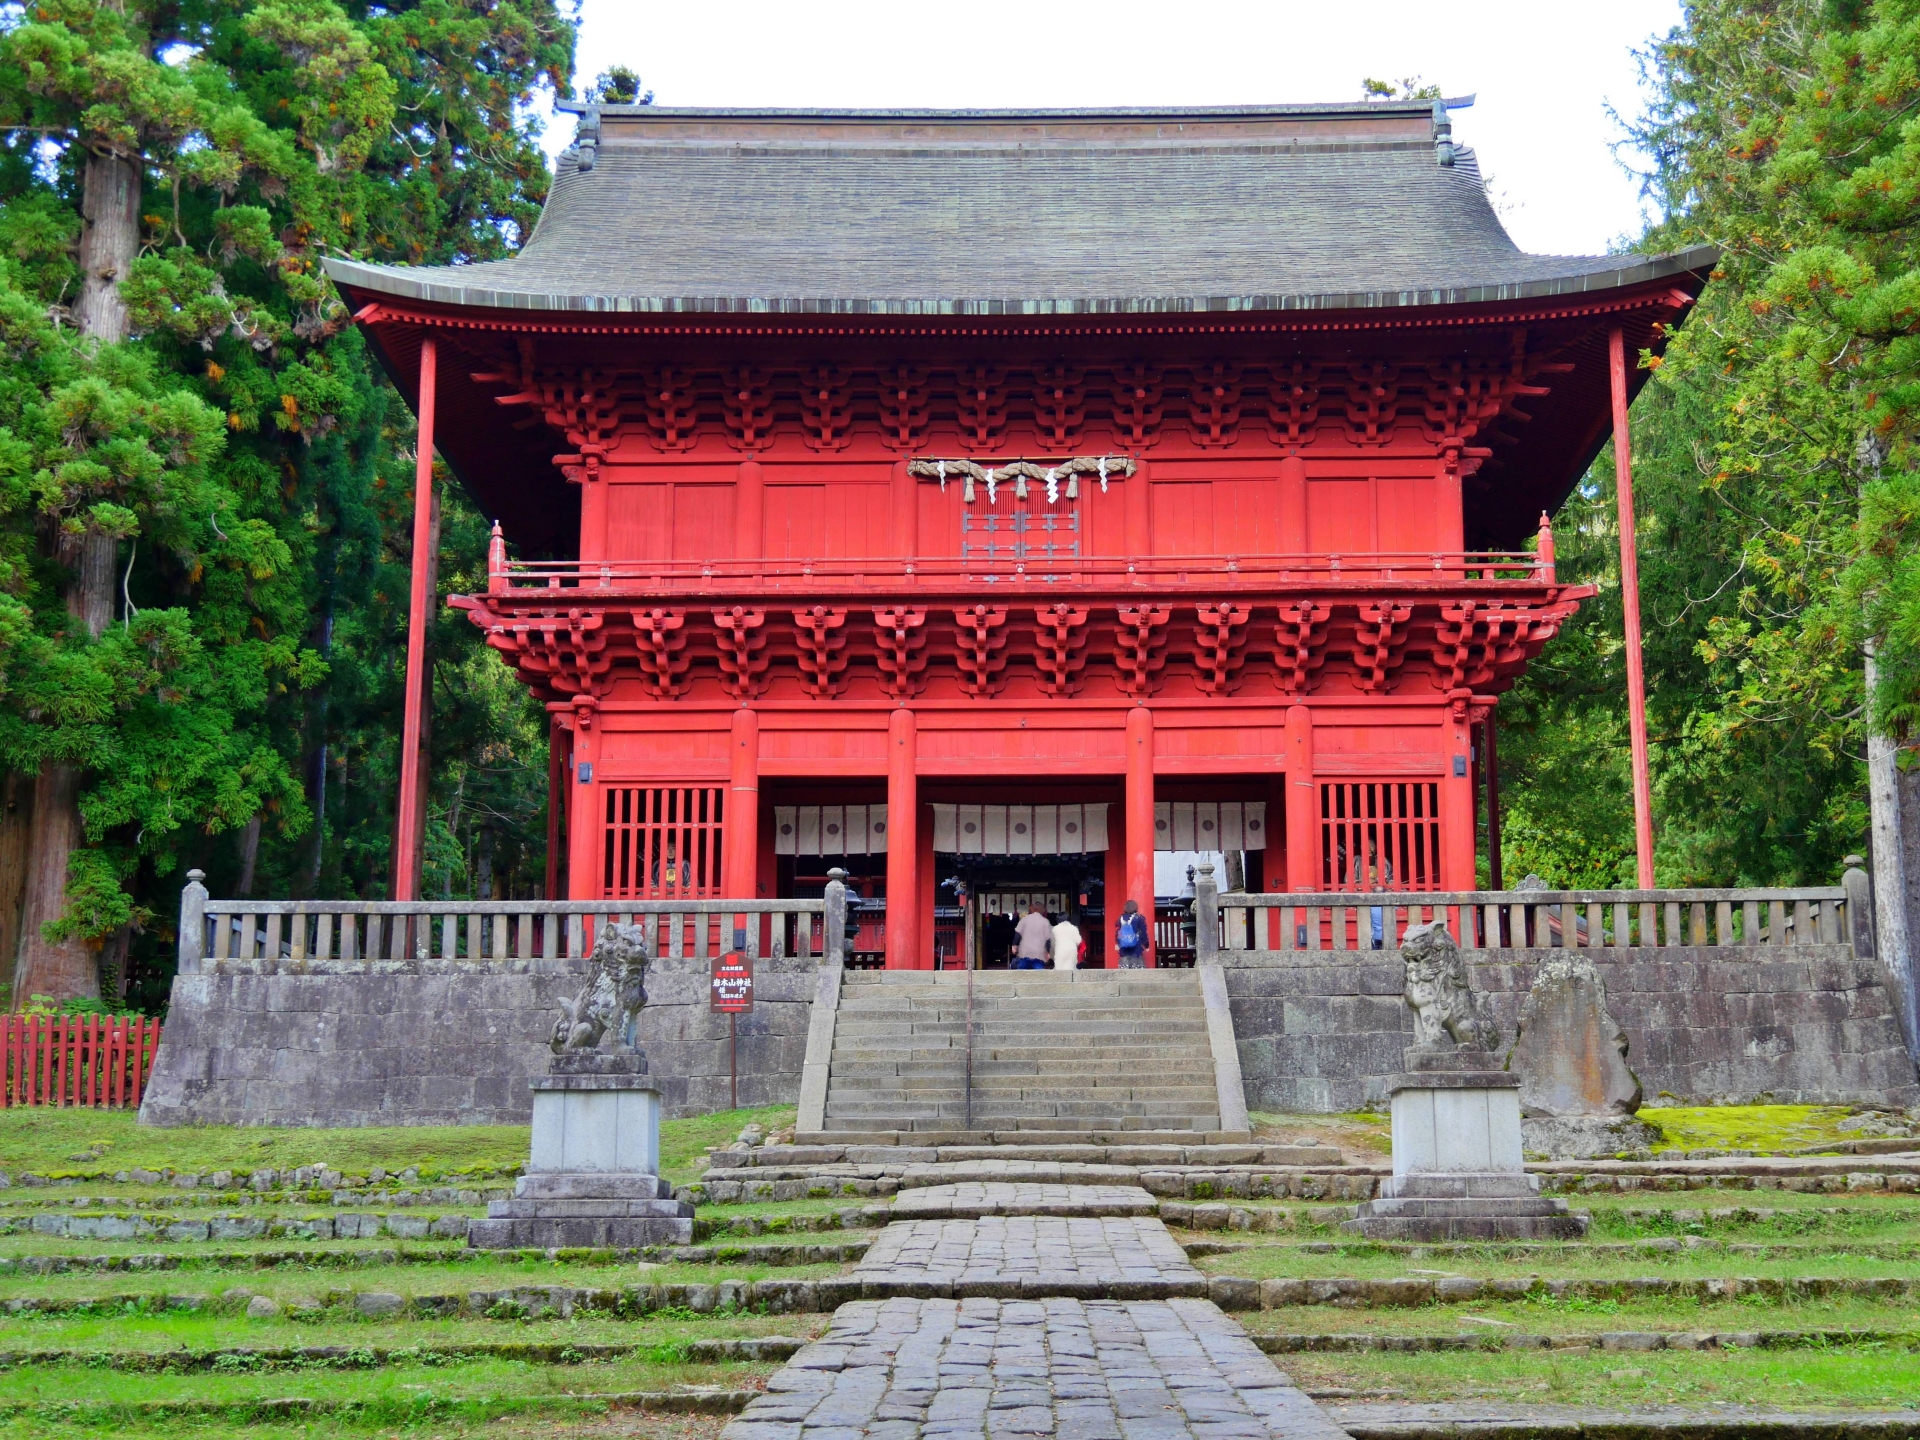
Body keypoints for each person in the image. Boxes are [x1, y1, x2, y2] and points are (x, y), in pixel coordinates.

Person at [1012, 902, 1053, 970]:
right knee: (1038, 977)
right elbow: (1048, 939)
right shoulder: (1045, 921)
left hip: (1024, 953)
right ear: (1042, 910)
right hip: (1039, 954)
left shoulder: (1024, 919)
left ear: (1031, 909)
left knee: (1022, 976)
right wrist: (1048, 952)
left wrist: (1014, 945)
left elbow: (1018, 934)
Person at [1115, 899, 1148, 968]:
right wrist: (1146, 945)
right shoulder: (1139, 918)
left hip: (1124, 948)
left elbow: (1117, 932)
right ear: (1135, 907)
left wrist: (1117, 943)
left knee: (1124, 968)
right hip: (1136, 948)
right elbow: (1143, 933)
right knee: (1137, 969)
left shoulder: (1120, 918)